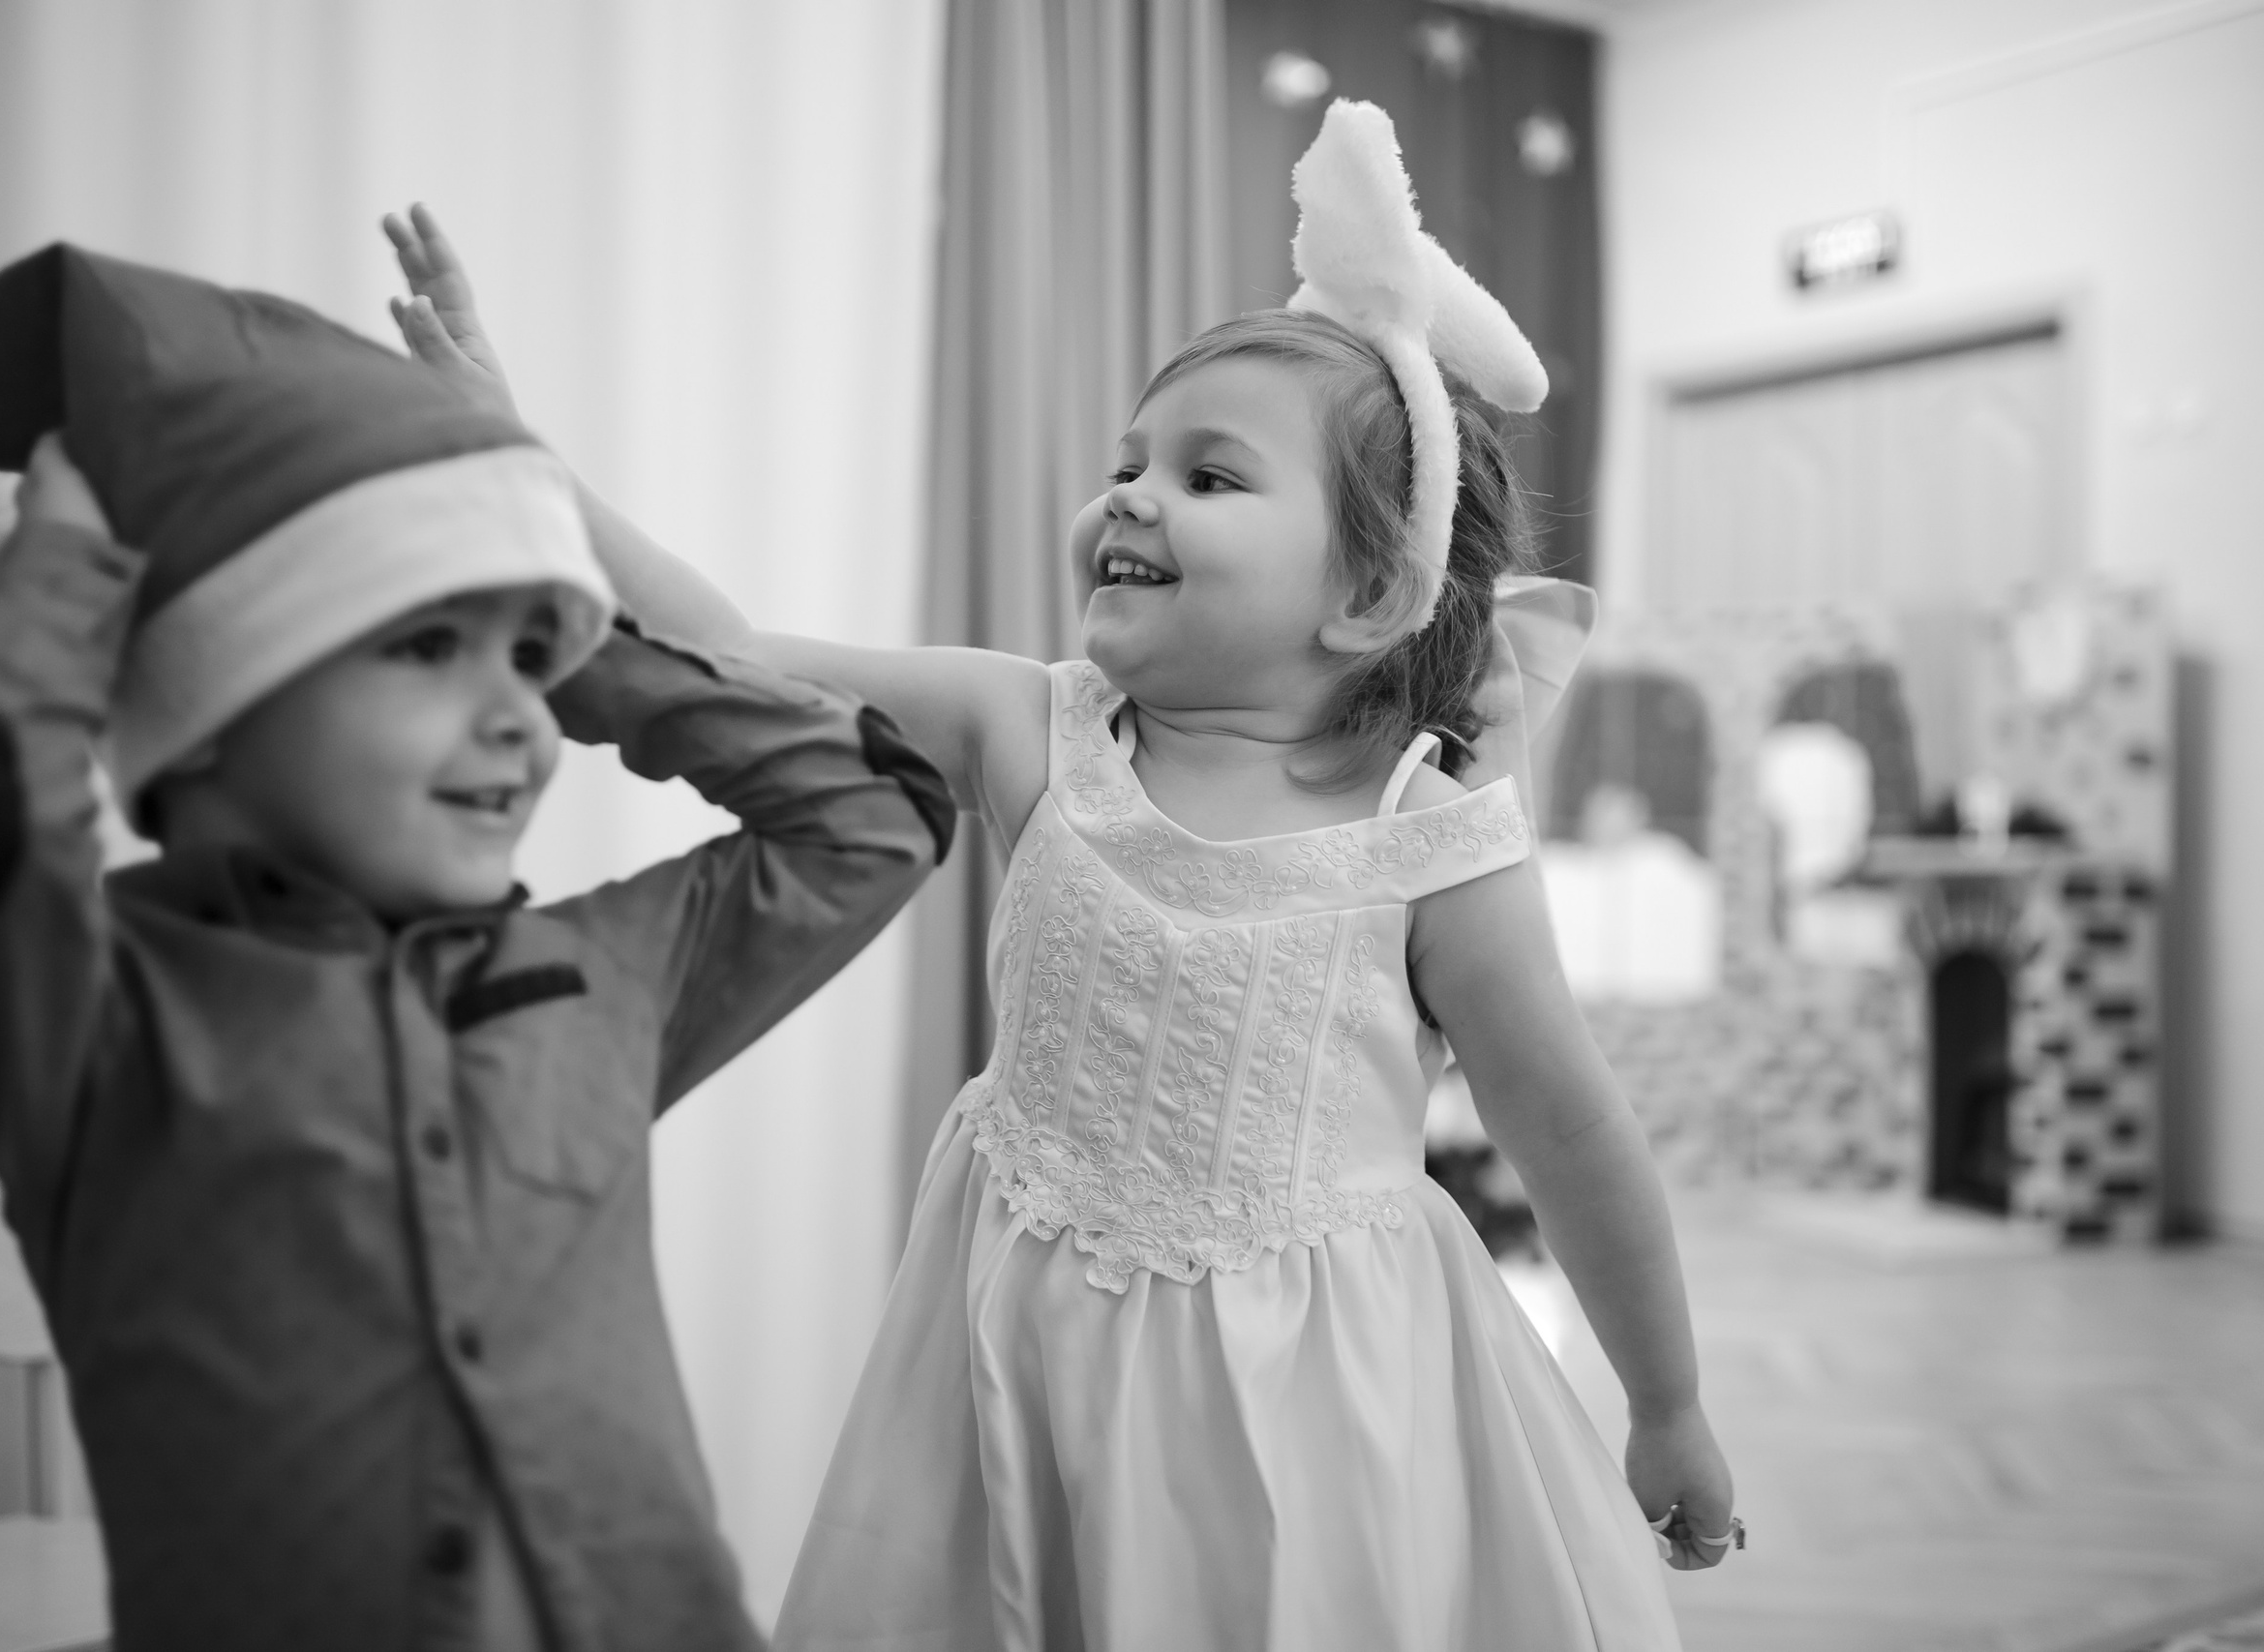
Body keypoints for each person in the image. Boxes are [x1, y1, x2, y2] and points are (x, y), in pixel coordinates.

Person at [392, 97, 1735, 1651]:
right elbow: (731, 654)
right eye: (1128, 462)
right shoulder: (1024, 727)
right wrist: (516, 458)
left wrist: (1668, 1404)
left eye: (1210, 477)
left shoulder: (1429, 841)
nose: (1130, 497)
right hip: (1012, 1355)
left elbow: (1571, 1128)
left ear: (1372, 591)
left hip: (1315, 1401)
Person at [0, 243, 951, 1652]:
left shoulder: (603, 978)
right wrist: (70, 553)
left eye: (531, 663)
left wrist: (537, 574)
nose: (524, 723)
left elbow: (874, 816)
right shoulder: (89, 1020)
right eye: (427, 647)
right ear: (214, 699)